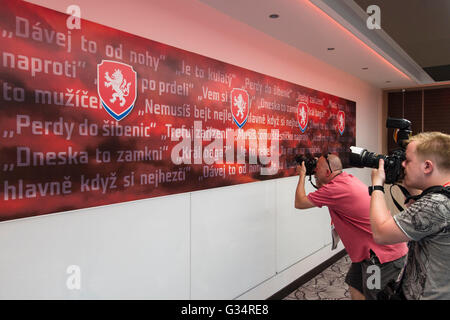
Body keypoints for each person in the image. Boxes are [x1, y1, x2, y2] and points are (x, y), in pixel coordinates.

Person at [295, 153, 408, 300]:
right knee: (356, 288)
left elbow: (300, 202)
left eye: (317, 168)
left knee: (373, 295)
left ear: (328, 172)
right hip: (367, 254)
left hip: (381, 256)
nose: (315, 170)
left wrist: (302, 175)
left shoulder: (334, 189)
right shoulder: (345, 179)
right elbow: (322, 187)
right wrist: (319, 173)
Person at [370, 132, 450, 299]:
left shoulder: (435, 204)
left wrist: (377, 186)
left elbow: (380, 233)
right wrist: (408, 183)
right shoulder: (442, 195)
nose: (403, 165)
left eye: (408, 160)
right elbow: (420, 221)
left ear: (427, 166)